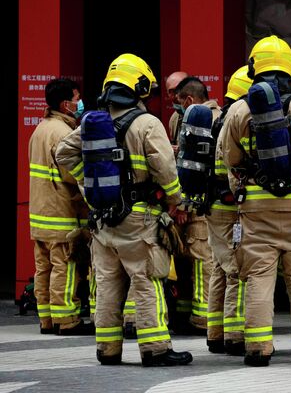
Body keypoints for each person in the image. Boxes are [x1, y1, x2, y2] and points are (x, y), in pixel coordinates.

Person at [56, 53, 193, 366]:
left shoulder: (95, 123)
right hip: (139, 218)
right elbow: (166, 171)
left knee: (107, 283)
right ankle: (156, 349)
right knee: (147, 280)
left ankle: (107, 350)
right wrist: (175, 201)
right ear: (140, 86)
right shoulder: (147, 124)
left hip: (103, 219)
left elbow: (62, 153)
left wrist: (87, 185)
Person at [220, 35, 291, 367]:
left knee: (259, 277)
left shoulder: (240, 108)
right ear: (288, 70)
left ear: (256, 68)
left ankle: (257, 349)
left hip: (256, 205)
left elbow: (229, 157)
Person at [28, 78, 92, 336]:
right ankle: (66, 320)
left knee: (43, 269)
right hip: (61, 215)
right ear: (66, 104)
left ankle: (46, 319)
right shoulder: (63, 133)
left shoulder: (40, 130)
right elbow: (71, 175)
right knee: (65, 267)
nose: (79, 104)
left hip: (39, 215)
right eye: (77, 99)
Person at [205, 65, 252, 356]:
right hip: (228, 204)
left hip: (212, 204)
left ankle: (215, 332)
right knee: (237, 269)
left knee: (220, 269)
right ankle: (235, 335)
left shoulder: (216, 119)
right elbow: (233, 168)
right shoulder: (236, 123)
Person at [172, 77, 219, 334]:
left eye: (177, 100)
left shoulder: (212, 119)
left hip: (201, 204)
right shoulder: (178, 119)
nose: (175, 106)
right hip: (187, 204)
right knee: (184, 261)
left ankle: (203, 320)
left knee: (203, 262)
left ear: (188, 100)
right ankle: (185, 313)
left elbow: (195, 167)